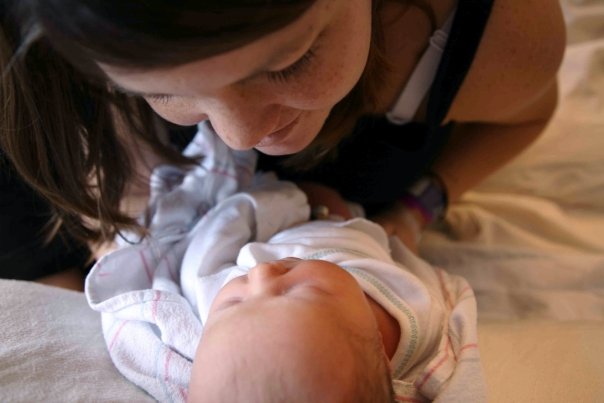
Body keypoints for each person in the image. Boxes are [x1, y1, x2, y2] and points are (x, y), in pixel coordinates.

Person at [0, 1, 565, 284]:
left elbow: (523, 119)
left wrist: (417, 208)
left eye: (290, 62)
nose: (242, 135)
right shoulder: (30, 44)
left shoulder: (500, 39)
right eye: (162, 92)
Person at [85, 126, 485, 402]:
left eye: (234, 303)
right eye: (300, 290)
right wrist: (326, 216)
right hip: (341, 216)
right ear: (382, 350)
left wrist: (272, 205)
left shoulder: (210, 321)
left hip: (261, 203)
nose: (260, 274)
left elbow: (195, 258)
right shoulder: (420, 322)